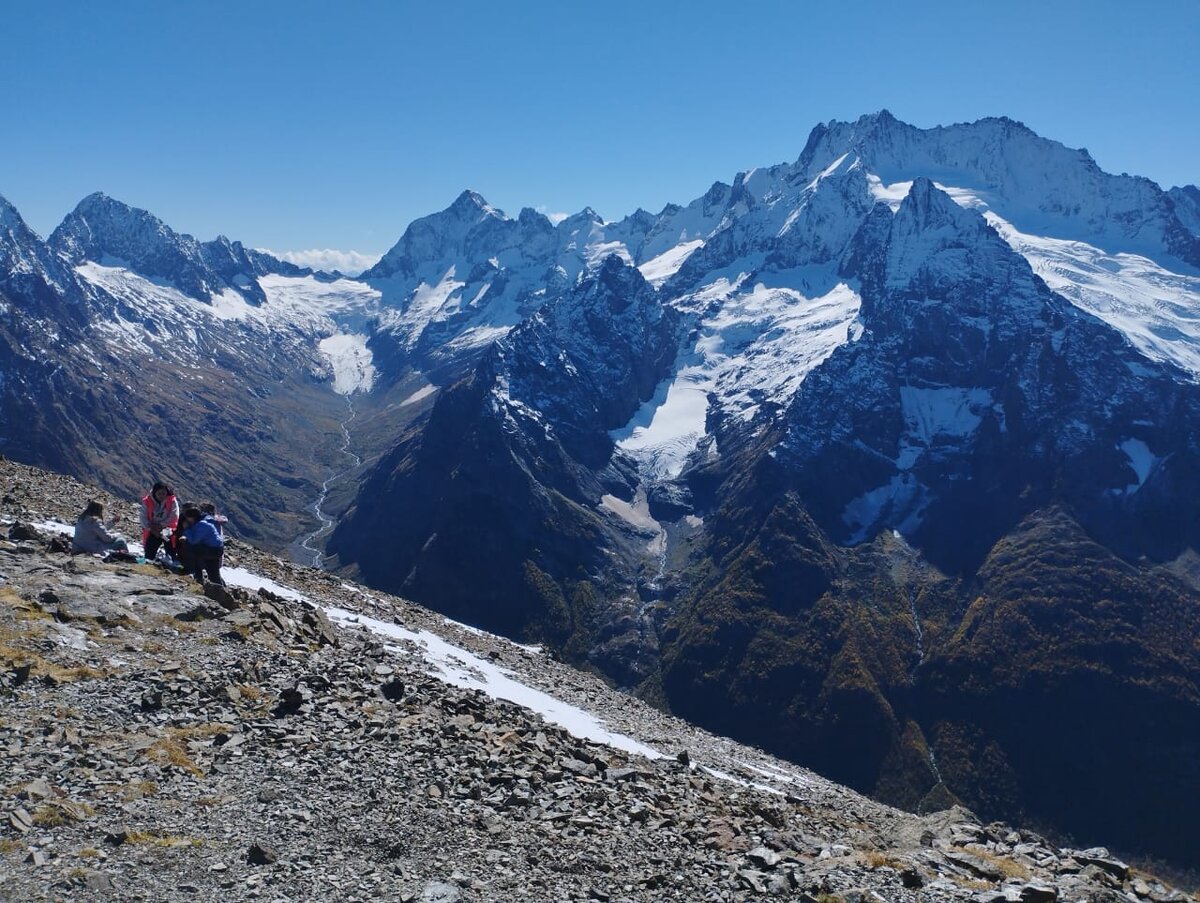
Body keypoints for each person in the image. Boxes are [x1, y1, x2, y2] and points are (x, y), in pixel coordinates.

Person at [179, 505, 225, 585]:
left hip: (213, 550)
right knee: (213, 573)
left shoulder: (202, 525)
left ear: (192, 517)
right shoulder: (200, 523)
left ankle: (198, 578)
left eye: (188, 518)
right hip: (214, 550)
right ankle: (219, 590)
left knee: (193, 552)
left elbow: (194, 541)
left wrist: (186, 529)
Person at [139, 481, 180, 562]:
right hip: (153, 530)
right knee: (150, 549)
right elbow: (143, 518)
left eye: (164, 493)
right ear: (154, 493)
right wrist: (152, 529)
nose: (162, 496)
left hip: (167, 529)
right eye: (159, 493)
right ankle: (149, 561)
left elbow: (174, 516)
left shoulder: (171, 500)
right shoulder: (147, 501)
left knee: (169, 544)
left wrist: (161, 525)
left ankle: (172, 562)